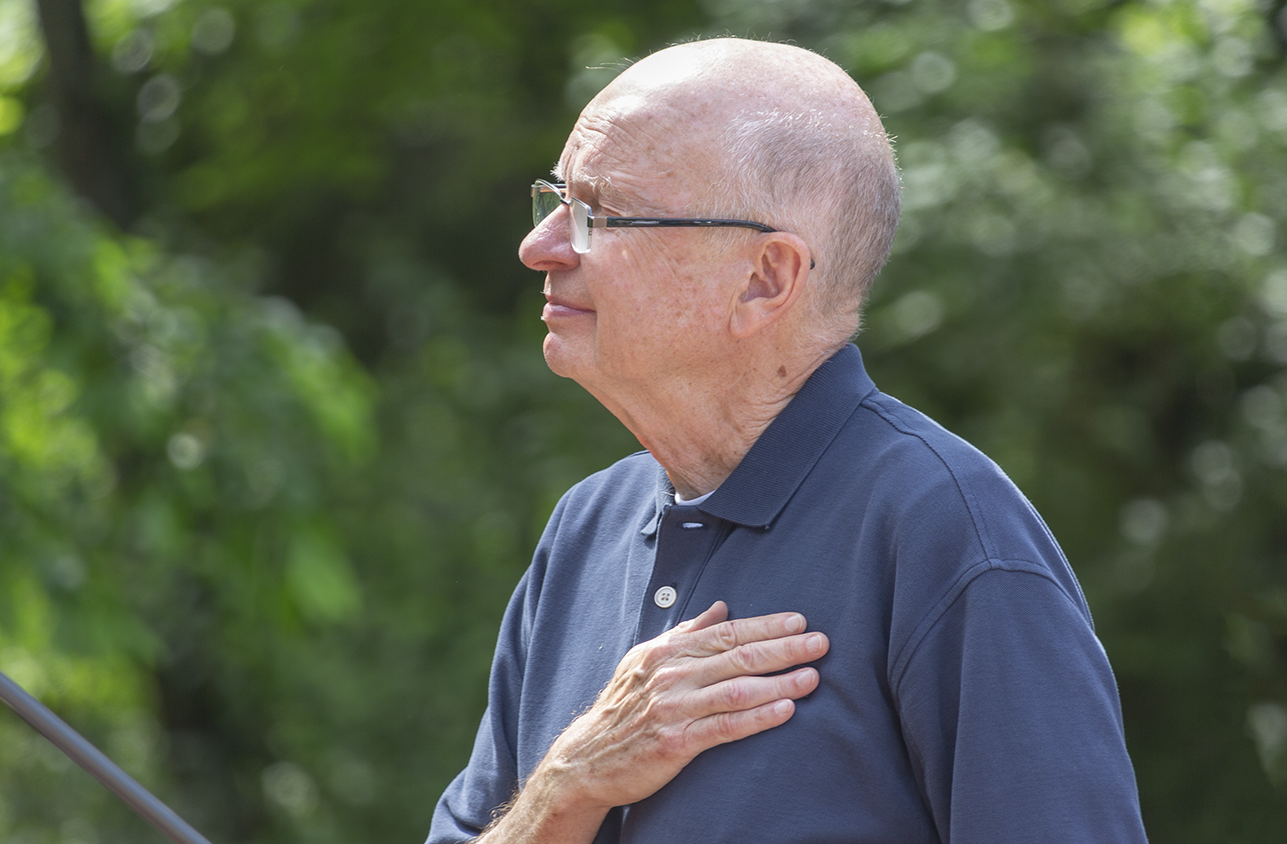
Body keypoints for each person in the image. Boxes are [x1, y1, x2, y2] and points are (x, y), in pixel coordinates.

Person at [426, 37, 1148, 844]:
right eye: (556, 199)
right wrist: (567, 787)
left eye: (599, 214)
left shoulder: (950, 535)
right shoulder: (587, 525)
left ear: (765, 278)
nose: (540, 247)